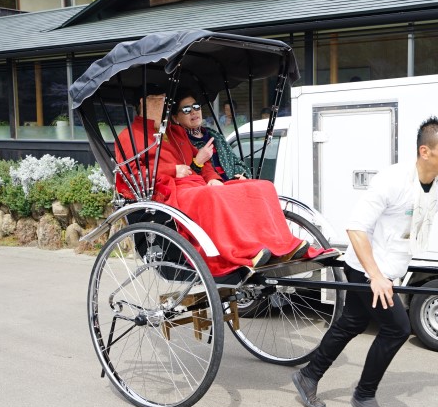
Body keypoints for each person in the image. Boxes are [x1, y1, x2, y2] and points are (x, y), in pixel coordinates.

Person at [291, 116, 438, 407]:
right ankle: (364, 395)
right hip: (367, 269)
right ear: (425, 151)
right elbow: (355, 228)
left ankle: (308, 375)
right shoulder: (393, 180)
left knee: (350, 323)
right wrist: (376, 276)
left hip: (389, 271)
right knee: (397, 328)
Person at [115, 92, 318, 276]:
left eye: (165, 100)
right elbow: (130, 175)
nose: (164, 105)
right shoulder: (128, 136)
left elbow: (202, 163)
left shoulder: (175, 131)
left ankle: (280, 245)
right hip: (168, 192)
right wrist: (172, 170)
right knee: (212, 196)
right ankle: (244, 251)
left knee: (260, 187)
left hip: (195, 185)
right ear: (143, 103)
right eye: (158, 100)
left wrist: (212, 178)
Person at [169, 92, 251, 181]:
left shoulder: (215, 135)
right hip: (210, 189)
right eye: (186, 109)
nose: (194, 112)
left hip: (233, 184)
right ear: (175, 118)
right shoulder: (177, 142)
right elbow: (183, 177)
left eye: (196, 106)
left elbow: (238, 163)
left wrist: (242, 175)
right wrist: (197, 162)